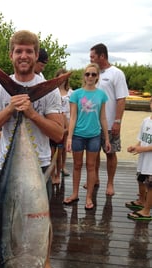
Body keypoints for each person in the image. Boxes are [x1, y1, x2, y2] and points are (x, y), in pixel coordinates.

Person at [0, 30, 64, 268]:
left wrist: (31, 113)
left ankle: (45, 262)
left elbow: (59, 133)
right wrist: (9, 107)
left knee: (41, 218)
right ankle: (2, 258)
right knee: (4, 220)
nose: (24, 55)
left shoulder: (48, 92)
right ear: (11, 55)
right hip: (6, 166)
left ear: (36, 54)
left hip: (37, 165)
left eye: (29, 51)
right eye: (19, 51)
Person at [63, 63, 111, 210]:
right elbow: (72, 117)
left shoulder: (101, 95)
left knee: (91, 167)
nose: (90, 77)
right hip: (77, 135)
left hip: (94, 136)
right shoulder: (76, 94)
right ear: (84, 76)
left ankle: (89, 197)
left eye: (93, 74)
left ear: (97, 77)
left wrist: (107, 138)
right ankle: (75, 193)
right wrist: (69, 138)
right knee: (77, 166)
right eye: (87, 74)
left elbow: (103, 117)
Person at [86, 43, 129, 196]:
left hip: (110, 123)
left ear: (102, 56)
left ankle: (110, 183)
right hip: (93, 124)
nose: (90, 59)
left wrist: (117, 121)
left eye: (93, 56)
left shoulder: (116, 73)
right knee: (93, 153)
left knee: (110, 153)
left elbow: (121, 99)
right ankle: (95, 178)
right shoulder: (93, 74)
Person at [126, 97, 152, 221]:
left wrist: (141, 149)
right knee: (140, 179)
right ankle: (141, 201)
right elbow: (142, 139)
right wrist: (135, 147)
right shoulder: (146, 121)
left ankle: (146, 211)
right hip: (144, 160)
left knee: (151, 185)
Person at [56, 68, 73, 177]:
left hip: (68, 120)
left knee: (64, 147)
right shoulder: (53, 91)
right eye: (60, 77)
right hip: (57, 120)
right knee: (57, 147)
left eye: (64, 78)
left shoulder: (71, 92)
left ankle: (63, 166)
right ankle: (55, 168)